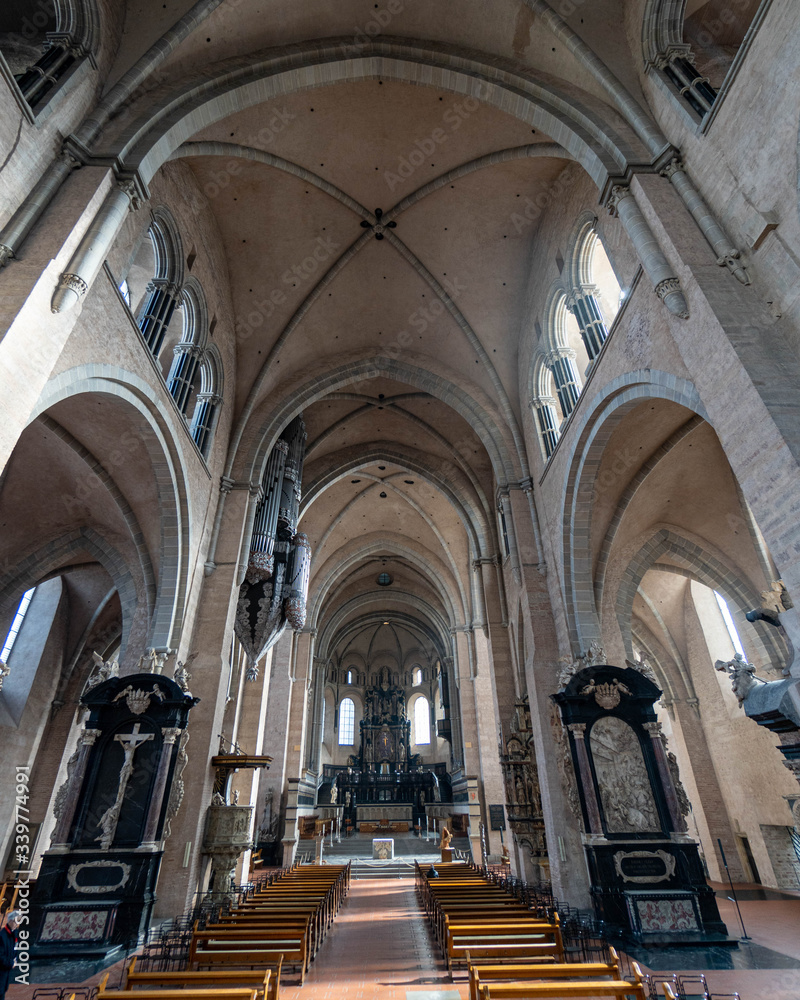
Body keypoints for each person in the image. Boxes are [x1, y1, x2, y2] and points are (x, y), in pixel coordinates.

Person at [0, 911, 20, 1000]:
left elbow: (15, 949)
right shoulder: (2, 936)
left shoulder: (14, 934)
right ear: (10, 921)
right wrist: (11, 963)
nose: (17, 924)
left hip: (6, 973)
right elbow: (0, 956)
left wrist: (15, 959)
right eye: (16, 921)